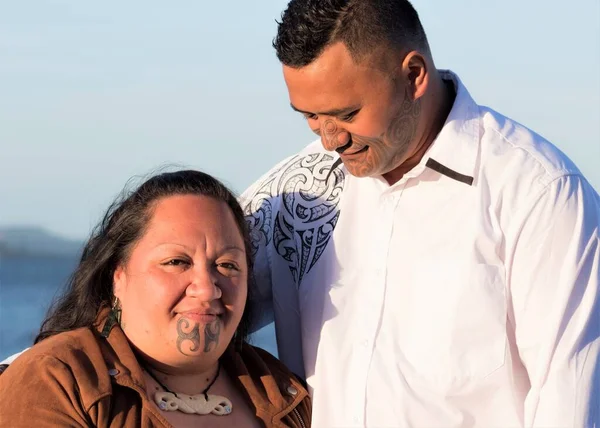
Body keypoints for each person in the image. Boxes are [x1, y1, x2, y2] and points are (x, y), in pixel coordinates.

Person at [240, 0, 600, 426]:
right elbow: (180, 297)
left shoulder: (539, 194)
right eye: (311, 116)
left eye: (347, 113)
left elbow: (568, 402)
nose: (330, 140)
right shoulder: (296, 190)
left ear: (413, 76)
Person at [0, 170, 311, 427]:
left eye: (227, 265)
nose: (206, 288)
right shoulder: (60, 379)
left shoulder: (282, 390)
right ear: (117, 275)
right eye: (176, 262)